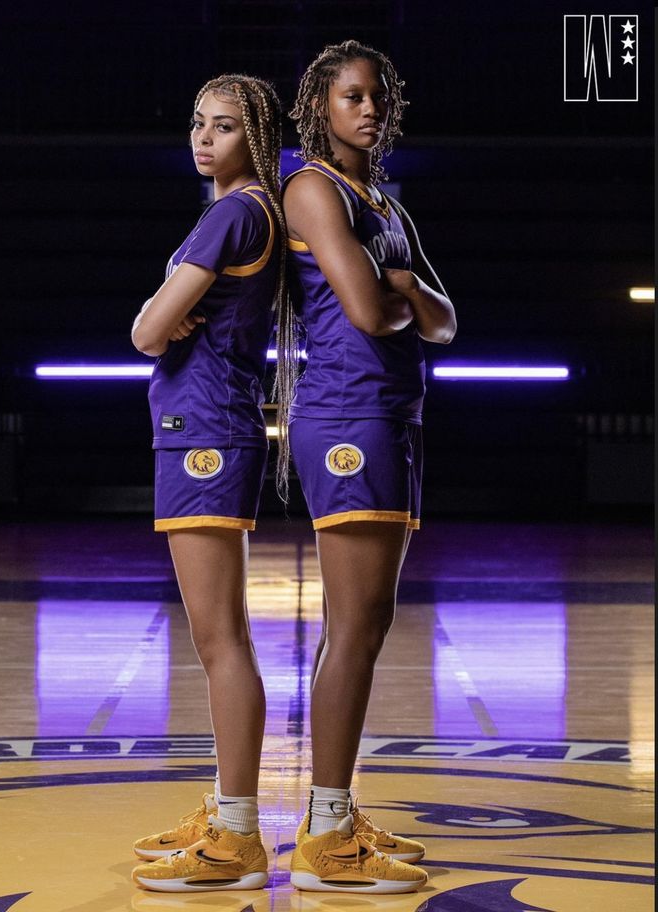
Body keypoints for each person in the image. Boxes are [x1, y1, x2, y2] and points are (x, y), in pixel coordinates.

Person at [279, 39, 457, 893]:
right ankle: (323, 829)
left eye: (380, 96)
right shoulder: (313, 188)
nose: (369, 108)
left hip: (392, 418)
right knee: (353, 627)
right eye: (352, 95)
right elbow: (366, 308)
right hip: (348, 418)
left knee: (370, 623)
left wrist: (410, 292)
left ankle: (334, 811)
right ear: (321, 104)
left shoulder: (382, 199)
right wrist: (405, 297)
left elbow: (442, 319)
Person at [129, 73, 286, 893]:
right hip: (207, 429)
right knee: (218, 637)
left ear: (251, 139)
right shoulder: (239, 211)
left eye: (223, 127)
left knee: (222, 638)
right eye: (197, 122)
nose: (203, 138)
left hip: (207, 436)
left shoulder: (235, 211)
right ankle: (226, 811)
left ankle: (237, 830)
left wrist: (157, 310)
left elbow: (147, 330)